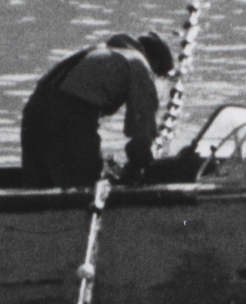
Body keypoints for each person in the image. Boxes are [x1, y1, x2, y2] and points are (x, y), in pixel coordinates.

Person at [19, 30, 174, 188]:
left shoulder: (102, 51)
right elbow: (142, 132)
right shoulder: (140, 64)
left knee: (39, 182)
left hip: (34, 109)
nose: (155, 79)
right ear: (153, 60)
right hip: (69, 114)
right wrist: (141, 165)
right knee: (84, 183)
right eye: (158, 74)